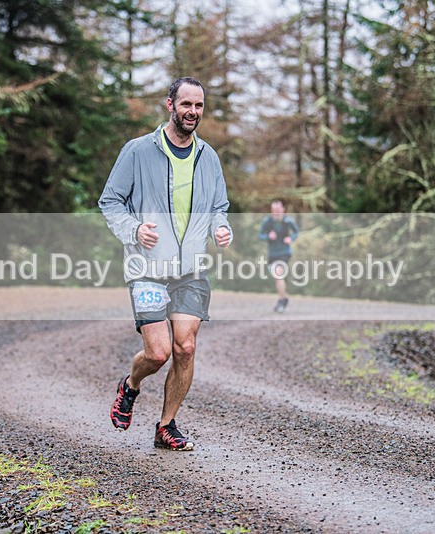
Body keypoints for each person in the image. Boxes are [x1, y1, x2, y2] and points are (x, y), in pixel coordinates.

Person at [98, 77, 232, 451]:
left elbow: (219, 207)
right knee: (158, 353)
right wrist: (135, 229)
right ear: (169, 105)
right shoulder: (139, 151)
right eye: (186, 104)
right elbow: (110, 202)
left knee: (185, 348)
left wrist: (221, 229)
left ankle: (166, 426)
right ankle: (131, 385)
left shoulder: (208, 156)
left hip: (190, 269)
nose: (193, 112)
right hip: (148, 270)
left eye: (199, 106)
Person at [258, 200, 299, 313]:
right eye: (273, 210)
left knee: (278, 273)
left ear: (282, 209)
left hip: (285, 252)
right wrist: (268, 236)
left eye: (278, 210)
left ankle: (281, 301)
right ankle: (283, 299)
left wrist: (291, 238)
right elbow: (260, 235)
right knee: (278, 277)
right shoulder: (268, 221)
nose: (276, 213)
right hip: (272, 254)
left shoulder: (288, 221)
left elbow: (296, 232)